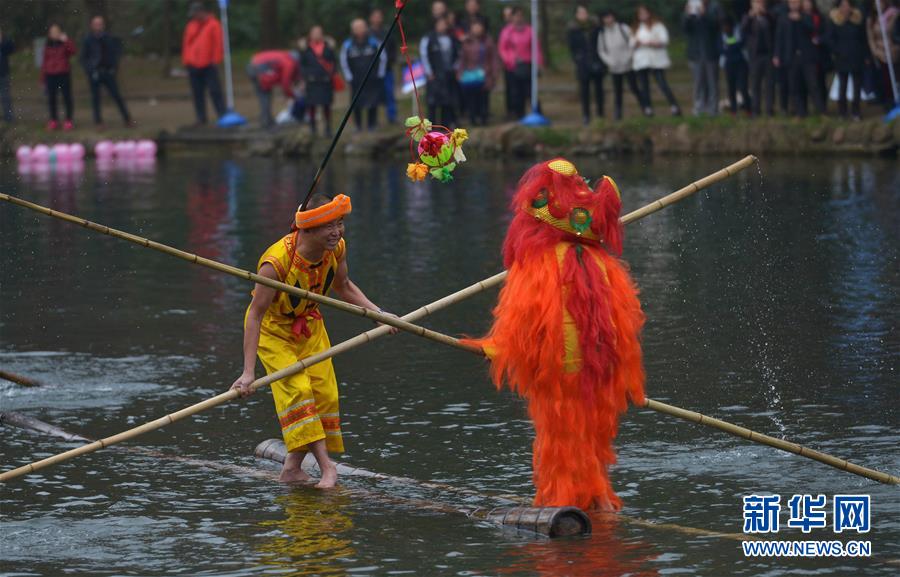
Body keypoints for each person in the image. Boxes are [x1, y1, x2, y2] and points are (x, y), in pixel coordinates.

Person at [462, 158, 645, 512]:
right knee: (592, 435)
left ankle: (566, 503)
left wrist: (498, 348)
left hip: (560, 370)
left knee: (561, 438)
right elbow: (623, 325)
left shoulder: (538, 263)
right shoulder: (602, 262)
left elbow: (523, 322)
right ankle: (599, 504)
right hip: (600, 368)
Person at [231, 194, 394, 488]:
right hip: (274, 332)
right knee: (299, 392)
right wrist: (248, 372)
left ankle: (292, 468)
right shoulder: (275, 263)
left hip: (310, 326)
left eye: (339, 223)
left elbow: (344, 286)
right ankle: (327, 467)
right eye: (329, 226)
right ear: (307, 229)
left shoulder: (337, 249)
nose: (337, 232)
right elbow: (255, 314)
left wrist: (378, 314)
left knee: (325, 394)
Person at [774, 0, 826, 116]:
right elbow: (779, 38)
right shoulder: (783, 18)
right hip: (791, 57)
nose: (794, 5)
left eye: (796, 2)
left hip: (807, 56)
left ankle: (821, 111)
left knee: (813, 84)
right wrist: (777, 55)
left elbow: (813, 29)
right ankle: (800, 112)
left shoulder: (806, 16)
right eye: (791, 3)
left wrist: (800, 19)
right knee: (795, 86)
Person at [81, 16, 132, 127]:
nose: (98, 26)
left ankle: (127, 119)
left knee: (117, 96)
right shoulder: (87, 40)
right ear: (92, 26)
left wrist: (114, 67)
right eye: (96, 24)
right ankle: (98, 121)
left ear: (103, 25)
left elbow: (116, 53)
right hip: (94, 73)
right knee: (96, 98)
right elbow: (83, 58)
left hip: (108, 72)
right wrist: (89, 70)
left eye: (100, 24)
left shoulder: (109, 38)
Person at [634, 5, 682, 117]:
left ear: (649, 13)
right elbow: (632, 43)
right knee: (644, 86)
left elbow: (664, 40)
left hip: (657, 60)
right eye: (640, 14)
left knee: (662, 84)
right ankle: (648, 109)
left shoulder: (658, 26)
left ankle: (674, 106)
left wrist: (652, 43)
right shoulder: (637, 28)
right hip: (642, 61)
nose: (643, 15)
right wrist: (637, 43)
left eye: (644, 13)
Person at [182, 1, 225, 126]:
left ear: (201, 12)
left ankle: (222, 114)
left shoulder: (214, 24)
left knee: (215, 90)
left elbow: (218, 43)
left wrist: (216, 60)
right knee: (197, 93)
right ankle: (201, 117)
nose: (194, 17)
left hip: (208, 64)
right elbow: (186, 44)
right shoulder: (191, 25)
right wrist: (186, 60)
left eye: (195, 14)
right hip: (193, 64)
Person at [598, 11, 647, 120]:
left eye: (609, 17)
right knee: (617, 91)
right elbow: (601, 50)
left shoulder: (623, 28)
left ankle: (645, 108)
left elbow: (632, 43)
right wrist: (610, 61)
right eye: (605, 18)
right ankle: (618, 113)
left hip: (628, 65)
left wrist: (628, 57)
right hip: (614, 67)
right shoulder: (602, 33)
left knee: (634, 87)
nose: (608, 20)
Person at [340, 18, 386, 132]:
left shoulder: (374, 42)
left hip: (372, 78)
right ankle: (358, 126)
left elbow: (383, 57)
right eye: (357, 28)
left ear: (366, 28)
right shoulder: (347, 44)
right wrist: (349, 77)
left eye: (362, 27)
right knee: (356, 102)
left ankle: (372, 124)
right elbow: (343, 61)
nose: (360, 30)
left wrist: (379, 74)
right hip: (356, 79)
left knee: (373, 101)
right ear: (353, 30)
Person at [827, 0, 869, 119]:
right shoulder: (835, 22)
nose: (845, 8)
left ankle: (856, 111)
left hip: (856, 57)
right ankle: (842, 112)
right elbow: (830, 39)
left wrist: (866, 56)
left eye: (847, 5)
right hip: (842, 58)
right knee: (842, 86)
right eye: (843, 5)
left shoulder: (857, 21)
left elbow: (863, 39)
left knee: (857, 86)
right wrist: (838, 51)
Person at [499, 7, 541, 119]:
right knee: (516, 92)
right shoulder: (507, 32)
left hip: (527, 65)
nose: (518, 18)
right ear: (512, 17)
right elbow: (503, 48)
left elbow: (536, 48)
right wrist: (510, 60)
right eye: (516, 16)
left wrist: (537, 63)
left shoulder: (529, 31)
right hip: (512, 66)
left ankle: (536, 112)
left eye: (520, 15)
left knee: (530, 90)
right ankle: (518, 113)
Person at [683, 0, 722, 115]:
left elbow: (717, 26)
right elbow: (685, 29)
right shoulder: (691, 8)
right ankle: (699, 109)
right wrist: (688, 16)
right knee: (698, 83)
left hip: (711, 52)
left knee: (712, 83)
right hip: (695, 53)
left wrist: (705, 15)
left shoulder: (714, 7)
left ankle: (713, 109)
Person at [420, 16, 460, 127]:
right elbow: (424, 56)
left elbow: (457, 54)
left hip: (448, 75)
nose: (443, 26)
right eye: (440, 24)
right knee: (432, 103)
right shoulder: (428, 38)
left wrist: (455, 68)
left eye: (444, 24)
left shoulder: (451, 38)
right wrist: (429, 72)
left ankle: (445, 125)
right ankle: (431, 127)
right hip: (434, 75)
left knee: (447, 102)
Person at [568, 5, 605, 124]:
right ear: (576, 15)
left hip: (596, 61)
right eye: (580, 13)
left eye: (584, 12)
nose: (583, 15)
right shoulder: (573, 29)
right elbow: (572, 47)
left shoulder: (596, 27)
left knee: (599, 89)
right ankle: (586, 115)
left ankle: (600, 114)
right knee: (585, 91)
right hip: (583, 64)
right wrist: (577, 59)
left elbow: (602, 43)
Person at [458, 19, 498, 126]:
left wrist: (494, 73)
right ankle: (473, 119)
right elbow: (462, 59)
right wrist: (460, 73)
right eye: (474, 26)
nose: (477, 29)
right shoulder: (466, 41)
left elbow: (493, 58)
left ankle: (484, 118)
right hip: (470, 75)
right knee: (471, 98)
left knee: (484, 97)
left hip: (486, 74)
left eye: (479, 26)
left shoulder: (488, 41)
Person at [299, 26, 338, 136]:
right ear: (310, 35)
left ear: (322, 34)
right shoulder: (305, 49)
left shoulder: (328, 47)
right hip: (311, 81)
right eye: (314, 33)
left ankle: (328, 128)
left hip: (325, 81)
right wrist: (303, 79)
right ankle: (313, 128)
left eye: (318, 33)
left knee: (327, 105)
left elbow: (334, 62)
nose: (316, 35)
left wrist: (332, 74)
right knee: (311, 106)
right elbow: (302, 65)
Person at [246, 49, 300, 128]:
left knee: (266, 95)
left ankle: (268, 120)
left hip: (254, 65)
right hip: (256, 68)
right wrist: (291, 95)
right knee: (265, 96)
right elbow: (285, 82)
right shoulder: (289, 63)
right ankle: (266, 122)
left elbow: (282, 77)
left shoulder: (285, 57)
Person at [742, 0, 777, 116]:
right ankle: (755, 110)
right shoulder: (748, 18)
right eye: (756, 3)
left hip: (768, 54)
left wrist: (765, 14)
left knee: (769, 84)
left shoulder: (769, 17)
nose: (759, 5)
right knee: (755, 84)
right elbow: (743, 30)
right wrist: (750, 17)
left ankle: (769, 109)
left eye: (761, 3)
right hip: (755, 55)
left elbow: (774, 26)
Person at [41, 24, 76, 131]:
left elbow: (73, 51)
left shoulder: (64, 43)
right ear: (49, 34)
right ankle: (53, 120)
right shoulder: (47, 45)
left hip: (63, 74)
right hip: (50, 75)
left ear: (60, 33)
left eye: (56, 32)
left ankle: (68, 120)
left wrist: (66, 41)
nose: (55, 34)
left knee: (67, 98)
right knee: (52, 99)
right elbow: (44, 62)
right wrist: (42, 78)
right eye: (52, 32)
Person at [866, 0, 900, 110]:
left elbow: (892, 31)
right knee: (885, 79)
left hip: (893, 51)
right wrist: (876, 51)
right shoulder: (871, 20)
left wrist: (892, 18)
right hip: (880, 53)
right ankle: (888, 102)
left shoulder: (893, 15)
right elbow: (871, 38)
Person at [369, 8, 397, 124]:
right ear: (371, 18)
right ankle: (373, 120)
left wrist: (391, 60)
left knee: (389, 93)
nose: (377, 19)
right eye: (375, 16)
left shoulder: (387, 31)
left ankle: (392, 117)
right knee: (372, 94)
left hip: (387, 69)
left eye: (379, 16)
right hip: (372, 71)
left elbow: (393, 47)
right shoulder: (368, 33)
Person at [721, 16, 752, 115]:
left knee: (743, 87)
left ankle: (748, 109)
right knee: (731, 88)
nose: (725, 28)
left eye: (727, 26)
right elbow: (722, 49)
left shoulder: (739, 32)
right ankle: (733, 110)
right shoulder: (722, 35)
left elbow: (740, 44)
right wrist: (732, 44)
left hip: (741, 64)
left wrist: (730, 44)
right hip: (729, 65)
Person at [0, 28, 14, 123]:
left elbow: (11, 48)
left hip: (3, 73)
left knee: (6, 96)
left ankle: (8, 117)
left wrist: (2, 41)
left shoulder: (5, 43)